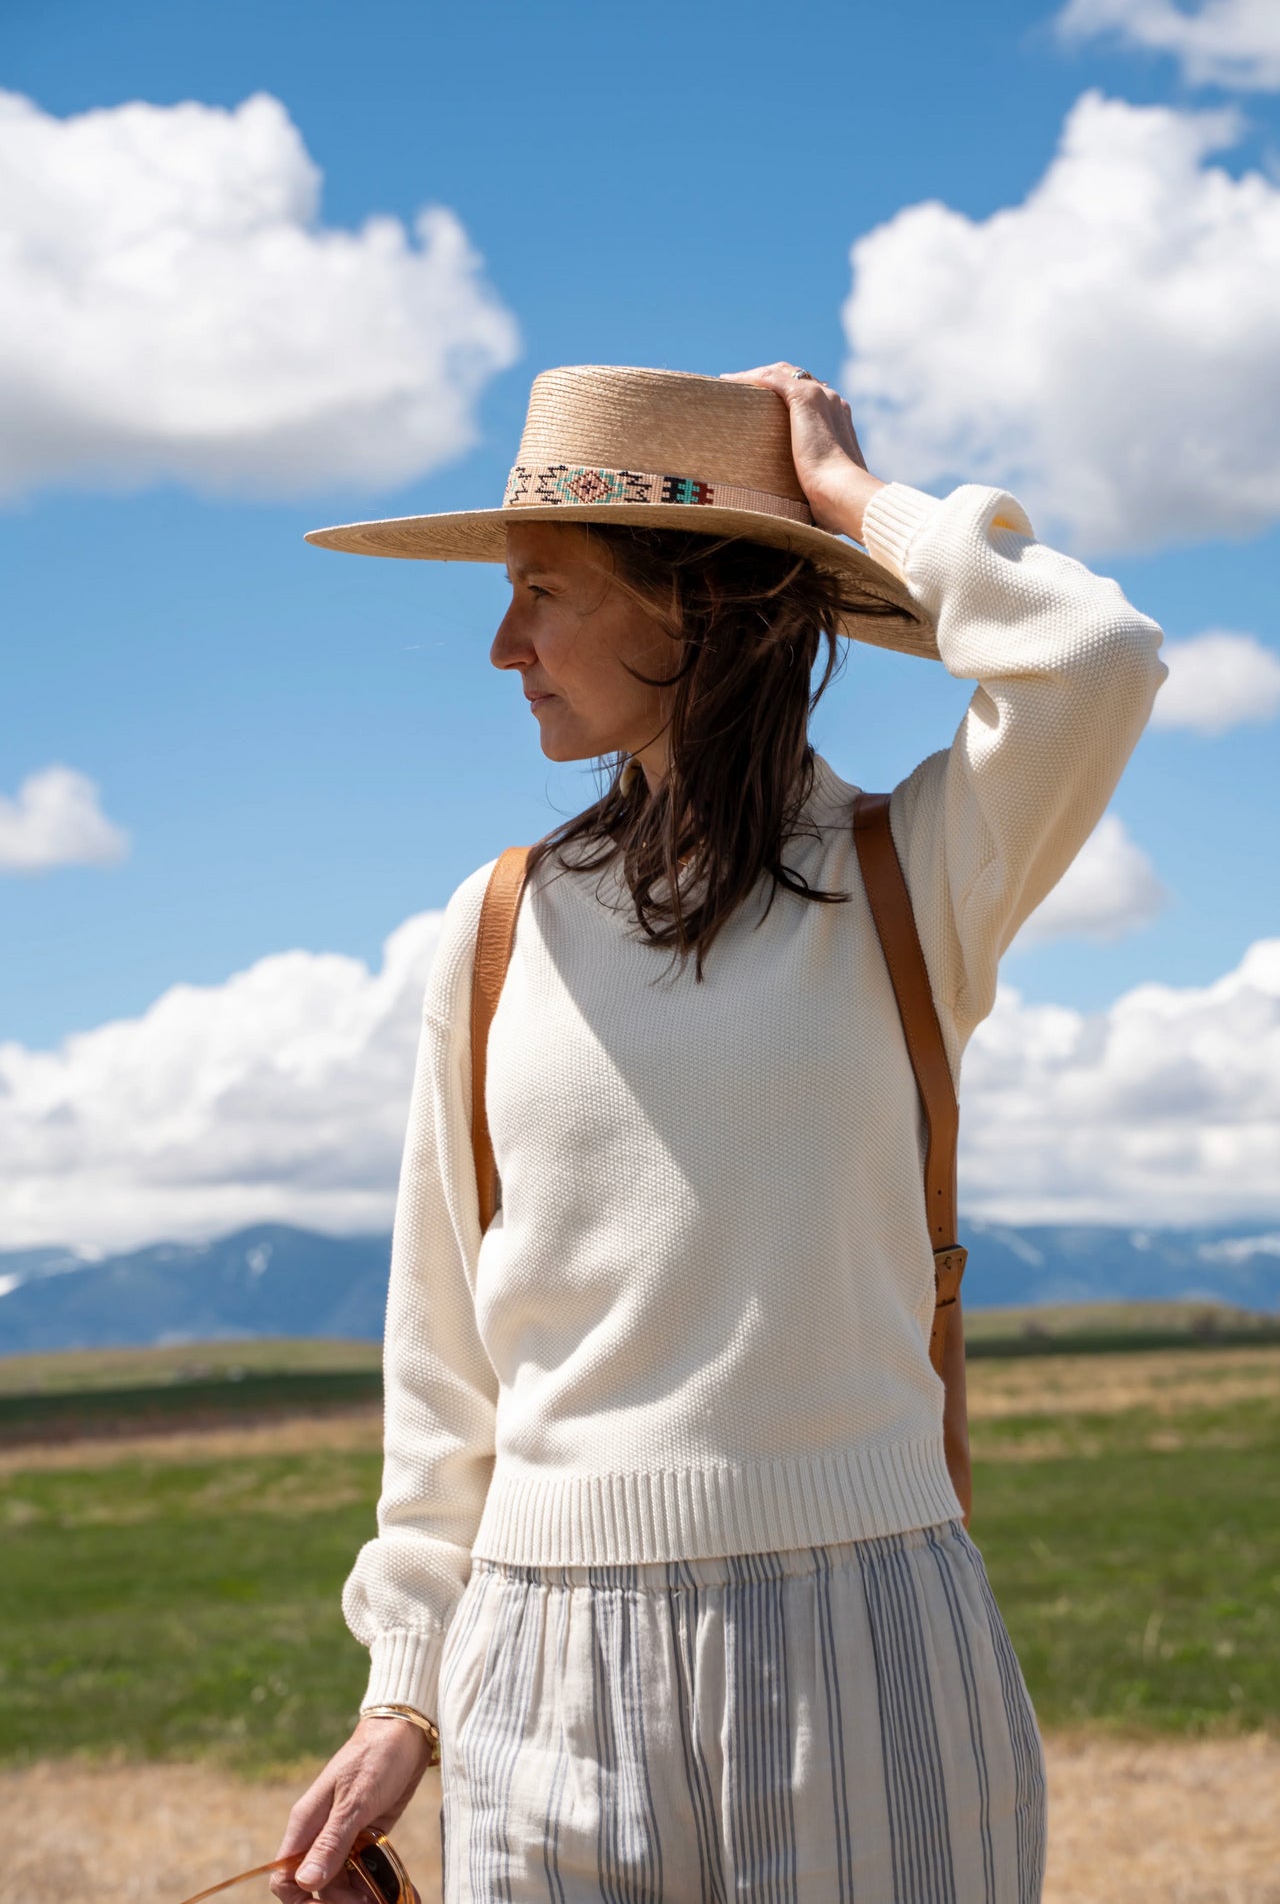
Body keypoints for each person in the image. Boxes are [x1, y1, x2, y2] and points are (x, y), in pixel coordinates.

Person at [274, 363, 1165, 1903]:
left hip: (871, 1631)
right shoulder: (494, 933)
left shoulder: (918, 876)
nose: (504, 647)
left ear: (695, 609)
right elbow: (442, 1352)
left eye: (544, 590)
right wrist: (403, 1684)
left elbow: (1093, 656)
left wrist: (845, 504)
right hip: (539, 1663)